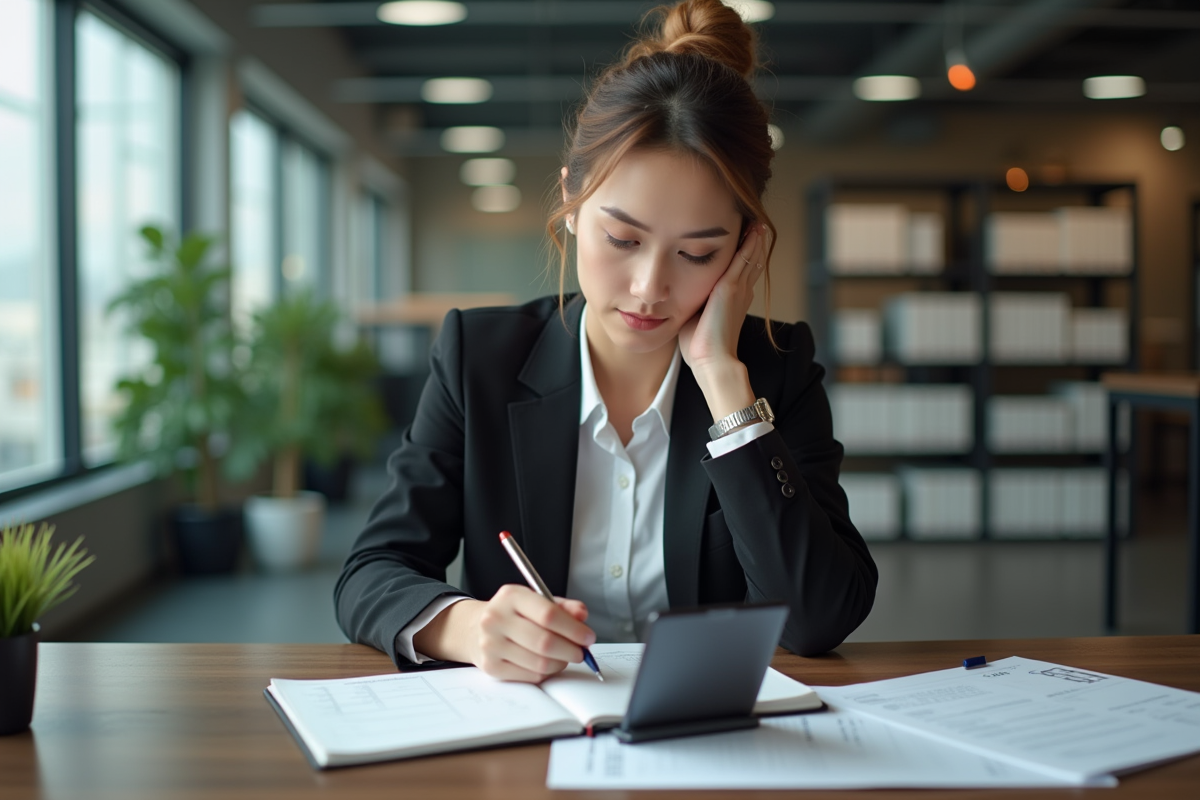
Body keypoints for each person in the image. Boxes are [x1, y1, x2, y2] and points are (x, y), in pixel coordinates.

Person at [335, 0, 877, 683]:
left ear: (745, 247)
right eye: (623, 239)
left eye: (698, 253)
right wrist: (469, 626)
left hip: (709, 742)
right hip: (526, 741)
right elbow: (370, 573)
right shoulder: (481, 357)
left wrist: (721, 381)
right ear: (571, 198)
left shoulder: (774, 369)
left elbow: (822, 617)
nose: (650, 287)